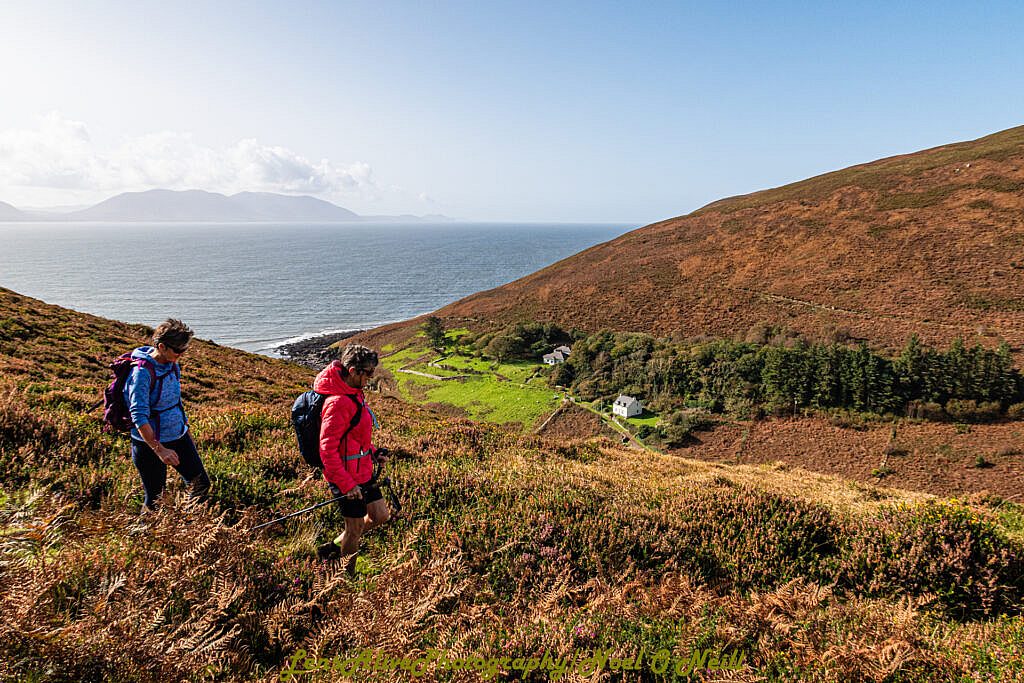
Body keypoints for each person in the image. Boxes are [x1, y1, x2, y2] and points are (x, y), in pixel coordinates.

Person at [314, 344, 390, 572]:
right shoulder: (337, 403)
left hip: (362, 470)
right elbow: (327, 450)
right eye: (368, 373)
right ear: (353, 371)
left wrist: (373, 452)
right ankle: (347, 576)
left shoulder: (354, 394)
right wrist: (347, 485)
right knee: (355, 528)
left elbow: (355, 434)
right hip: (346, 478)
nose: (371, 377)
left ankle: (333, 548)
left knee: (380, 515)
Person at [124, 319, 210, 510]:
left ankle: (190, 529)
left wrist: (185, 430)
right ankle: (145, 535)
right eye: (178, 351)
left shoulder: (173, 365)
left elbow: (175, 401)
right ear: (162, 346)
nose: (181, 355)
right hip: (148, 445)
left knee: (201, 484)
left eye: (185, 350)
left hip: (178, 436)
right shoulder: (141, 374)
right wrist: (159, 449)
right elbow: (138, 415)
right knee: (155, 498)